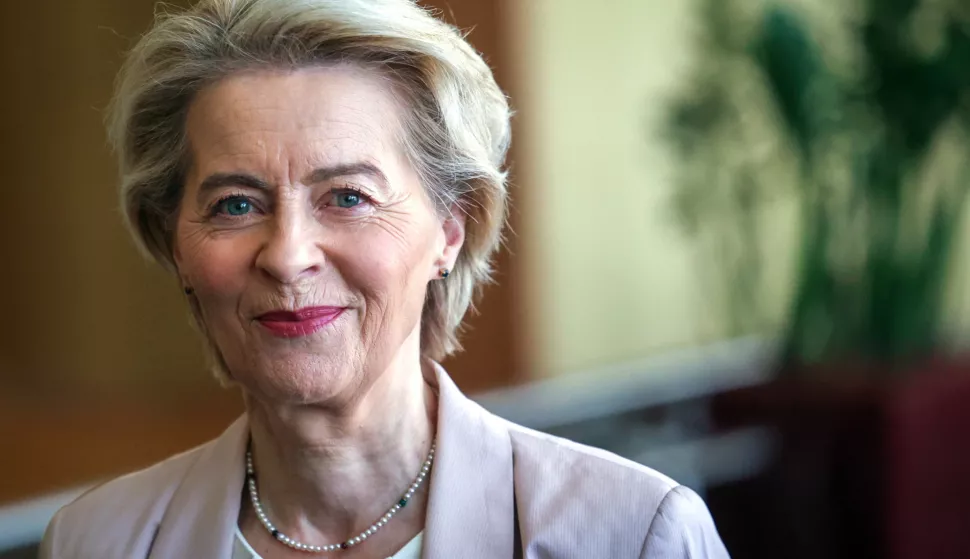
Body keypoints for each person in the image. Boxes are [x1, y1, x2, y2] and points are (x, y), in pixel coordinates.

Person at [39, 0, 730, 557]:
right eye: (236, 204)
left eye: (347, 196)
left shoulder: (634, 533)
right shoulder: (97, 542)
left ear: (450, 231)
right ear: (175, 245)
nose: (287, 255)